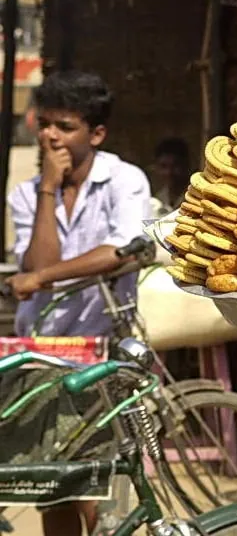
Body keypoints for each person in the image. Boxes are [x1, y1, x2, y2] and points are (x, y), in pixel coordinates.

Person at [0, 71, 151, 536]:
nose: (49, 135)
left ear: (96, 134)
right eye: (44, 123)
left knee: (97, 479)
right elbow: (38, 268)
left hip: (101, 350)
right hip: (43, 351)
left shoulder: (124, 180)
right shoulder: (27, 194)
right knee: (52, 483)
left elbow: (118, 250)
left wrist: (39, 277)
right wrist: (48, 187)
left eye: (64, 126)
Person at [151, 136, 190, 217]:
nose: (169, 172)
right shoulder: (158, 200)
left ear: (186, 166)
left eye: (175, 166)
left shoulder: (196, 198)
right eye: (164, 166)